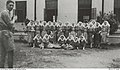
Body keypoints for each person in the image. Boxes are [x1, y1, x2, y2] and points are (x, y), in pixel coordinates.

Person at [0, 0, 17, 68]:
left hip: (3, 33)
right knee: (11, 51)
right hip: (6, 34)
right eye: (10, 5)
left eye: (12, 5)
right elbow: (10, 24)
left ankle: (1, 67)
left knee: (3, 53)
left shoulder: (6, 13)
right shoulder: (5, 13)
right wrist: (14, 19)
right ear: (6, 5)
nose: (12, 7)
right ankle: (10, 68)